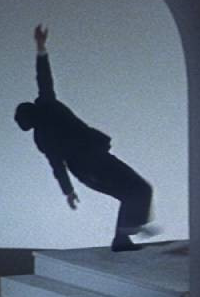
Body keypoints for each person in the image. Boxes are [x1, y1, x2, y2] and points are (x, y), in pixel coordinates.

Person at [14, 24, 156, 252]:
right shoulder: (47, 110)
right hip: (93, 165)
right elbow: (44, 79)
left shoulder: (42, 134)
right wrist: (40, 47)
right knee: (138, 190)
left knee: (135, 192)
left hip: (89, 168)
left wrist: (68, 192)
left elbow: (57, 166)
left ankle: (126, 234)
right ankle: (129, 229)